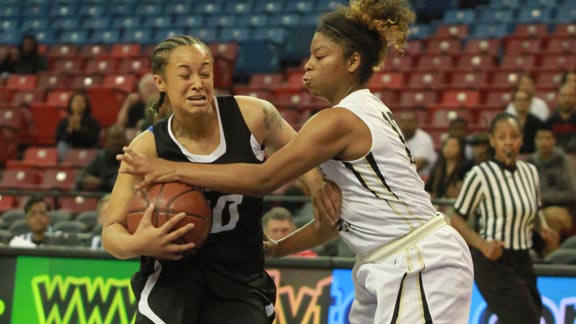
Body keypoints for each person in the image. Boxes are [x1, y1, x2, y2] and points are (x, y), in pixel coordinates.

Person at [118, 2, 474, 323]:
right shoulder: (365, 111)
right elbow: (336, 219)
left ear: (352, 62)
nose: (307, 64)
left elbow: (263, 178)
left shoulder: (337, 121)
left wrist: (173, 169)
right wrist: (278, 248)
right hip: (382, 261)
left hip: (418, 259)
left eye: (320, 56)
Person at [102, 35, 337, 324]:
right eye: (185, 75)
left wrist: (316, 186)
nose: (198, 83)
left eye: (205, 72)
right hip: (173, 276)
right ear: (160, 82)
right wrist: (140, 243)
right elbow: (111, 231)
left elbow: (302, 155)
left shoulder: (253, 116)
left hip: (240, 273)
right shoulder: (146, 148)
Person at [450, 113, 557, 324]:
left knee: (532, 316)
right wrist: (482, 244)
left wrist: (544, 229)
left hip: (523, 259)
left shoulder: (530, 172)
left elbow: (534, 210)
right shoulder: (480, 174)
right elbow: (457, 219)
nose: (509, 141)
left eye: (514, 136)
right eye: (502, 136)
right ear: (492, 141)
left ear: (521, 140)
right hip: (492, 261)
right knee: (525, 320)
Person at [526, 124, 576, 240]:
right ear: (535, 141)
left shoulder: (564, 161)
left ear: (554, 141)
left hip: (561, 209)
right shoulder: (529, 163)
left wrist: (546, 198)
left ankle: (551, 257)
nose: (544, 142)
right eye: (540, 138)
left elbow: (572, 193)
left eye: (548, 138)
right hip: (534, 209)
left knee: (549, 217)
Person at [75, 124, 128, 192]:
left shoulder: (129, 157)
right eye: (113, 138)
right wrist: (86, 181)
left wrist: (101, 183)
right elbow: (80, 178)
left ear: (125, 139)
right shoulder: (101, 156)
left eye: (118, 138)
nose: (116, 142)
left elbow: (123, 184)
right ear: (108, 139)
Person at [55, 90, 101, 161]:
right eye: (76, 101)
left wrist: (78, 130)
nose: (79, 104)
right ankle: (67, 164)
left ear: (86, 105)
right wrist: (70, 131)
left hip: (87, 149)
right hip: (70, 150)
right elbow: (59, 138)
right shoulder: (64, 121)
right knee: (62, 145)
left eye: (82, 101)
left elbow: (93, 139)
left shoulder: (93, 121)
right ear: (71, 104)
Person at [397, 108, 437, 178]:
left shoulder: (424, 139)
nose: (406, 124)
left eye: (410, 121)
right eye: (404, 121)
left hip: (422, 178)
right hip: (401, 176)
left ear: (417, 123)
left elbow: (417, 165)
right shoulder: (395, 136)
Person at [116, 73, 158, 139]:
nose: (150, 89)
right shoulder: (135, 105)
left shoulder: (161, 106)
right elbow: (120, 124)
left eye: (153, 86)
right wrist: (127, 102)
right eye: (146, 86)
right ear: (140, 89)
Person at [546, 82, 576, 153]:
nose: (567, 99)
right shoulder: (549, 122)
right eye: (563, 95)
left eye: (571, 96)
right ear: (558, 97)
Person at [509, 89, 542, 154]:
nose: (521, 102)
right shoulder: (507, 123)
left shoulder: (537, 123)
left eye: (524, 100)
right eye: (519, 100)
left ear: (529, 103)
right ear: (513, 103)